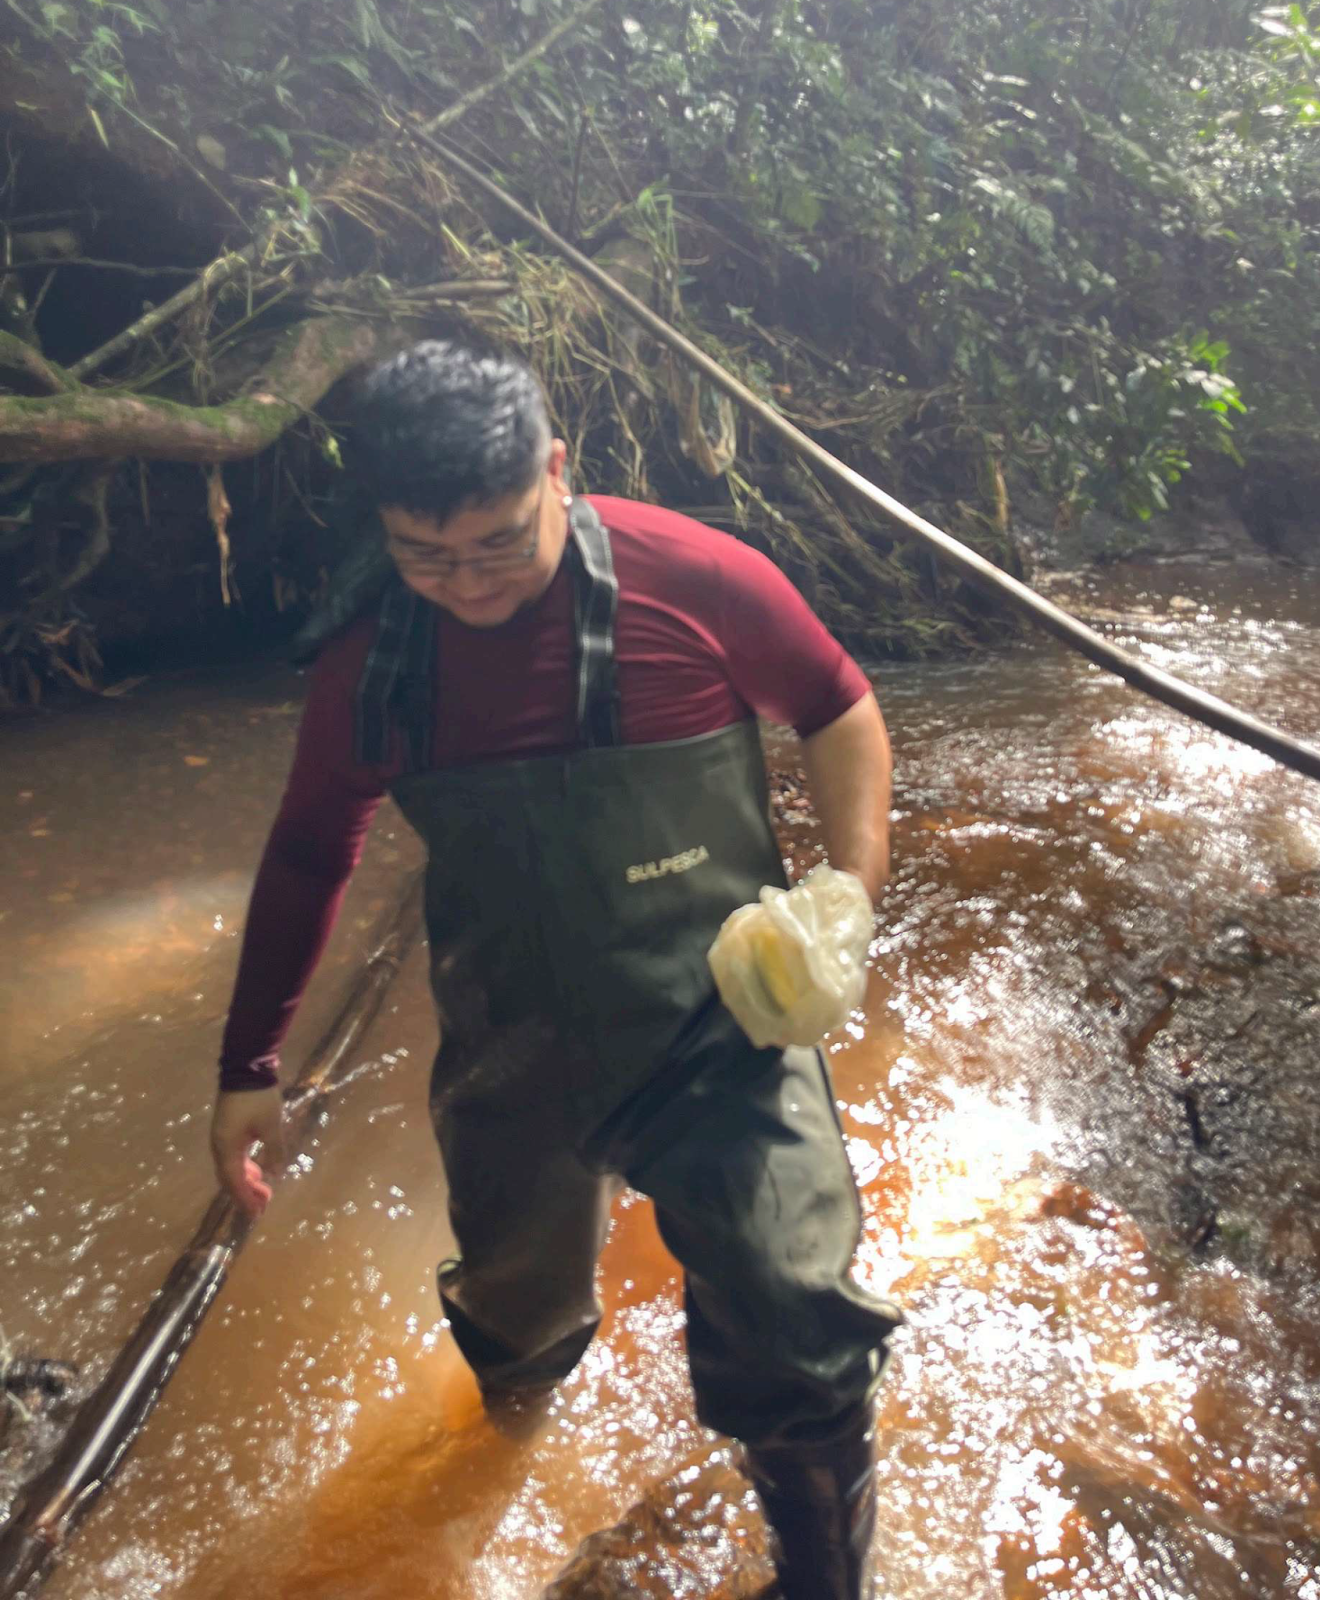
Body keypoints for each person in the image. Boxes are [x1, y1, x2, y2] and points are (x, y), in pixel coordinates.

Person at [210, 341, 901, 1600]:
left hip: (716, 1022)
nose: (464, 584)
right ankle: (498, 1474)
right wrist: (248, 1063)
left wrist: (845, 893)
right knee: (514, 1315)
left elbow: (837, 707)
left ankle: (821, 1580)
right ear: (382, 526)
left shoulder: (694, 579)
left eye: (495, 543)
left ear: (555, 471)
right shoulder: (370, 660)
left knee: (793, 1305)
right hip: (508, 1040)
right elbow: (314, 844)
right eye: (426, 556)